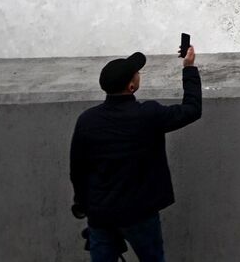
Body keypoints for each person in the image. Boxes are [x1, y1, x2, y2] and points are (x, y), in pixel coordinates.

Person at [69, 43, 203, 262]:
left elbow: (78, 170)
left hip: (101, 214)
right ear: (132, 86)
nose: (139, 74)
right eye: (137, 73)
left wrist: (85, 205)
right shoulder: (148, 115)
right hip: (139, 213)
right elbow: (192, 110)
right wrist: (189, 68)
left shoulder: (87, 120)